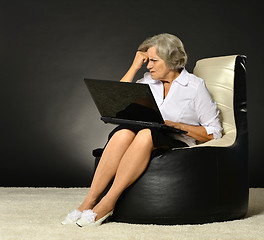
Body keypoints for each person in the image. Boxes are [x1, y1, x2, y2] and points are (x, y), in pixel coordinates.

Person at [61, 33, 222, 227]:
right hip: (144, 133)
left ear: (171, 60)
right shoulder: (147, 81)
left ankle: (108, 201)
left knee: (146, 134)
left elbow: (214, 132)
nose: (148, 66)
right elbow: (114, 101)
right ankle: (89, 201)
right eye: (148, 61)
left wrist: (178, 125)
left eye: (154, 60)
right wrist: (134, 66)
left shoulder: (195, 87)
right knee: (123, 133)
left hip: (175, 138)